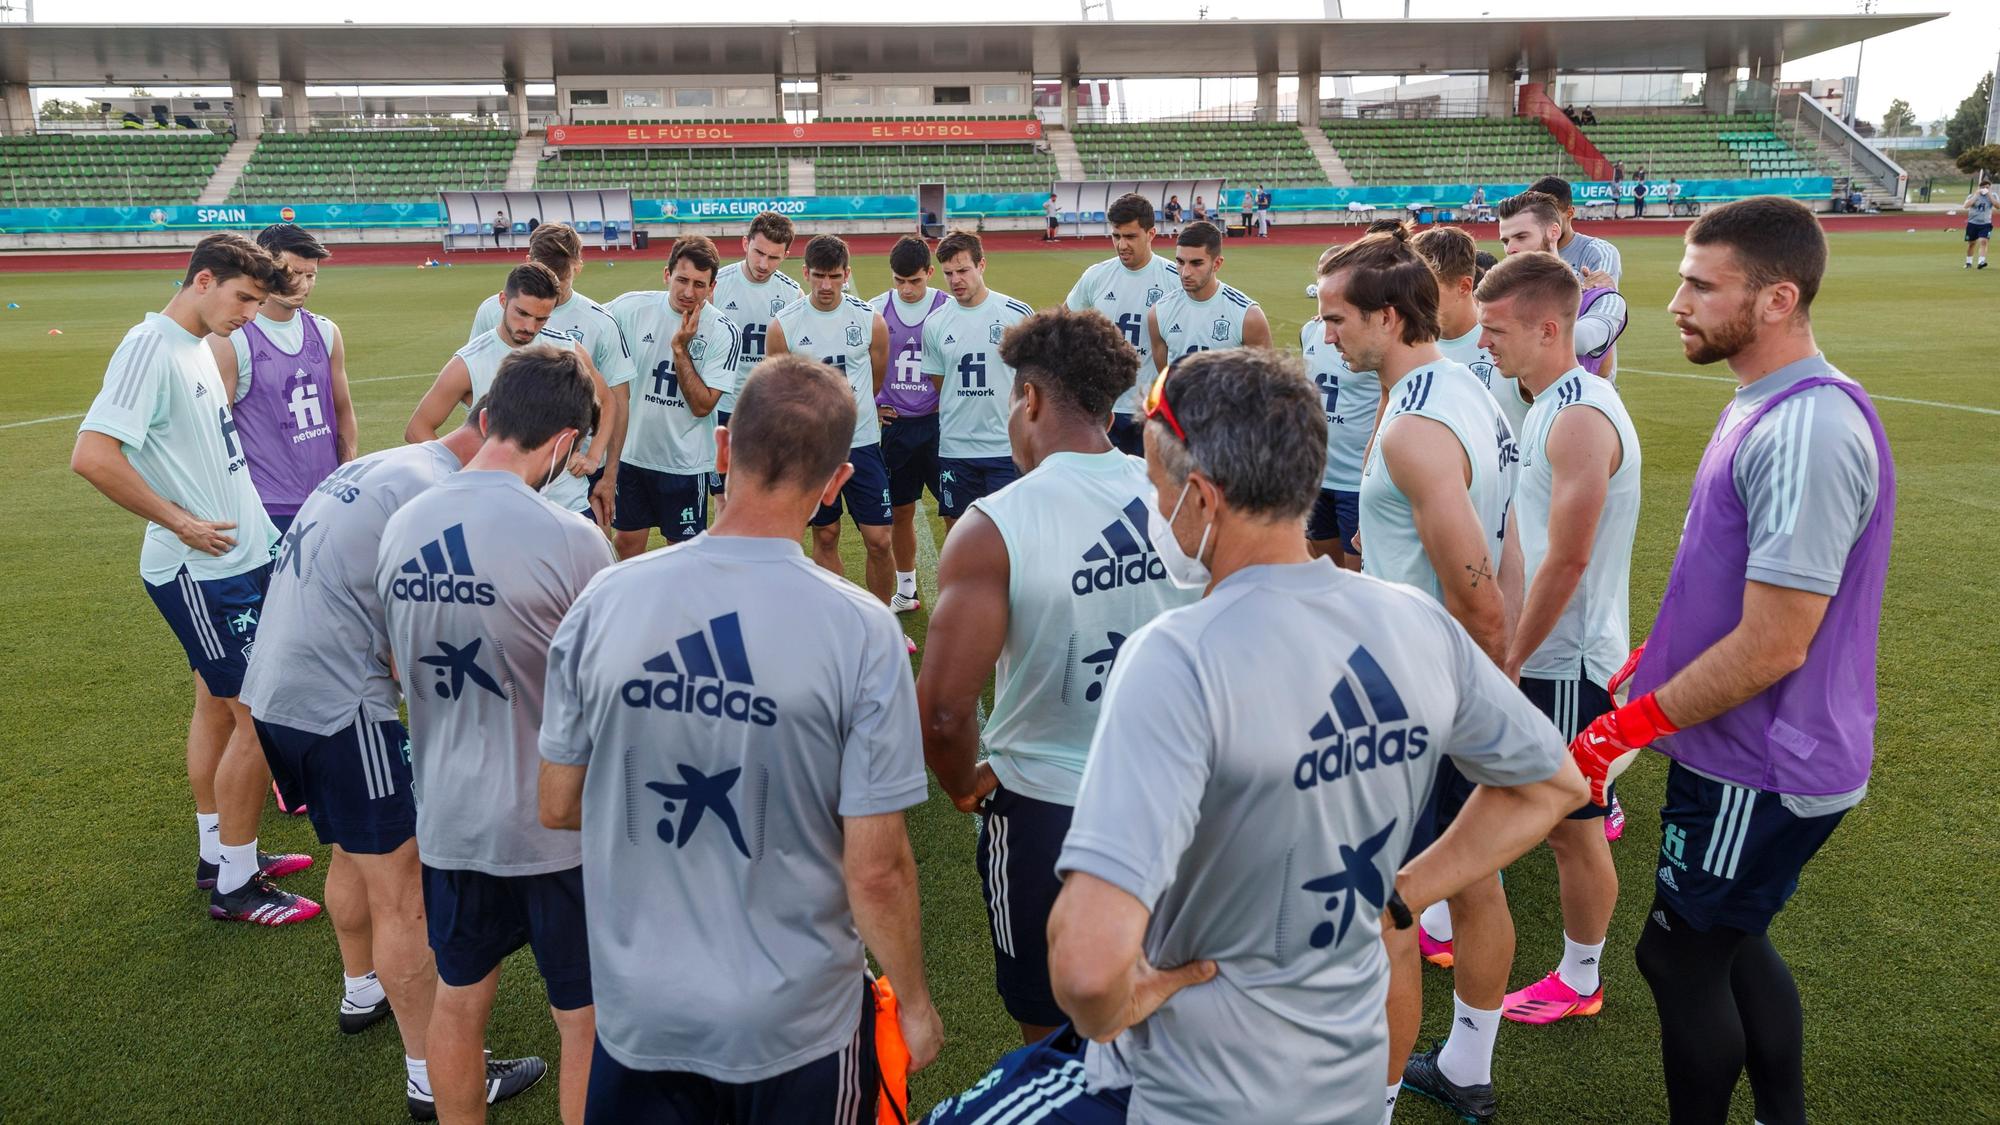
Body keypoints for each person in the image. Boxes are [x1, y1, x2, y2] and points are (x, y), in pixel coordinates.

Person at [922, 349, 1585, 1125]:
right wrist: (1401, 896)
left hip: (1189, 1087)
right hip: (1341, 1080)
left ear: (1201, 497)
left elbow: (1089, 967)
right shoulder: (1414, 622)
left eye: (1157, 483)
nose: (1150, 500)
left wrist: (1114, 1003)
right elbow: (1550, 784)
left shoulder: (1178, 656)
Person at [539, 353, 942, 1124]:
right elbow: (878, 866)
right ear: (835, 484)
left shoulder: (607, 597)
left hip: (639, 1011)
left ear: (723, 450)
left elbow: (557, 802)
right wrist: (916, 1003)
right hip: (794, 1021)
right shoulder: (861, 628)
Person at [1573, 196, 1895, 1125]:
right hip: (1741, 745)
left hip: (1761, 758)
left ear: (1776, 299)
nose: (1675, 299)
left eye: (1701, 285)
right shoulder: (1765, 402)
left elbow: (1775, 638)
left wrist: (1624, 728)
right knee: (1731, 936)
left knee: (1678, 955)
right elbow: (1726, 589)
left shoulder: (1806, 427)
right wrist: (1652, 656)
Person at [240, 400, 547, 1119]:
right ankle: (429, 1074)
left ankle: (362, 988)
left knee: (358, 851)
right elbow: (416, 643)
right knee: (404, 885)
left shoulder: (384, 464)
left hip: (280, 689)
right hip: (340, 704)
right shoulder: (434, 495)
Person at [918, 306, 1195, 1046]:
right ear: (1109, 406)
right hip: (1176, 798)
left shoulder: (996, 521)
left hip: (1046, 810)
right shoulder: (1179, 498)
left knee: (1052, 1031)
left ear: (1030, 401)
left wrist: (959, 780)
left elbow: (944, 713)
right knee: (1172, 1001)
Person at [1316, 228, 1521, 1123]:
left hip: (1418, 700)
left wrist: (1468, 695)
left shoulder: (1413, 429)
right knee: (1474, 877)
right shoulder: (1471, 387)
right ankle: (1468, 1062)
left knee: (1389, 914)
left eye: (1336, 319)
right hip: (1454, 683)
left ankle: (1379, 1101)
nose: (1326, 337)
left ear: (1389, 317)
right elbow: (1503, 553)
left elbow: (1476, 587)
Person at [378, 346, 613, 1125]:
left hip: (447, 815)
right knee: (583, 1021)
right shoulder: (572, 538)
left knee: (459, 1000)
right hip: (556, 831)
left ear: (485, 418)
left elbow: (392, 657)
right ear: (562, 446)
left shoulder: (403, 520)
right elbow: (607, 693)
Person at [70, 233, 314, 924]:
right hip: (202, 571)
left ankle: (222, 851)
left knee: (216, 705)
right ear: (202, 279)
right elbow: (91, 454)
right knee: (259, 717)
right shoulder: (151, 346)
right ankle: (236, 885)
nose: (247, 313)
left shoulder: (200, 348)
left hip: (242, 557)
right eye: (242, 298)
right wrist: (179, 521)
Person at [1470, 252, 1643, 1029]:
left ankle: (1581, 976)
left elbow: (1568, 559)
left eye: (1496, 328)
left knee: (1572, 831)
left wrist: (1513, 655)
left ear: (1549, 328)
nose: (1484, 343)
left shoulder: (1579, 414)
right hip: (1551, 652)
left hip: (1568, 660)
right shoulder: (1546, 402)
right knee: (1545, 816)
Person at [406, 262, 617, 527]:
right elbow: (417, 429)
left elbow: (607, 400)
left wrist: (593, 456)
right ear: (503, 300)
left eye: (541, 319)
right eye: (522, 313)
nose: (529, 326)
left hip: (568, 505)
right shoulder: (468, 363)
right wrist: (466, 478)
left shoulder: (567, 349)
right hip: (500, 512)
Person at [462, 222, 634, 523]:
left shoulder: (600, 323)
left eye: (561, 276)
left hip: (574, 471)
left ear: (578, 267)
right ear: (528, 261)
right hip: (506, 465)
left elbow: (617, 400)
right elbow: (474, 379)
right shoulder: (493, 310)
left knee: (591, 548)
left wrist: (605, 468)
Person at [767, 234, 895, 604]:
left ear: (846, 275)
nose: (826, 285)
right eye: (819, 275)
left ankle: (882, 621)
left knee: (880, 539)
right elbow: (780, 389)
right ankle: (835, 619)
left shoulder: (870, 320)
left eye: (834, 276)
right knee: (825, 535)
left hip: (862, 444)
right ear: (805, 273)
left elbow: (875, 378)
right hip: (813, 451)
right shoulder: (784, 326)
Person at [208, 224, 354, 535]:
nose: (303, 284)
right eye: (293, 273)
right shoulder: (233, 340)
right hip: (266, 506)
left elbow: (343, 411)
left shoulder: (326, 332)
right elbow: (217, 428)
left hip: (324, 499)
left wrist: (346, 472)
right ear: (267, 267)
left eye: (311, 275)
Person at [606, 236, 743, 558]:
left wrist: (681, 349)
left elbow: (703, 405)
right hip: (631, 455)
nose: (688, 292)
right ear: (666, 275)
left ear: (712, 287)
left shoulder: (724, 332)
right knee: (626, 543)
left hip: (684, 464)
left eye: (699, 284)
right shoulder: (629, 308)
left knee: (683, 553)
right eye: (681, 280)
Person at [919, 230, 1035, 532]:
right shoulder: (935, 323)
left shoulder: (1016, 314)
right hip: (956, 449)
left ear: (981, 265)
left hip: (1006, 448)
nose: (956, 279)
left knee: (1011, 533)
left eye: (963, 270)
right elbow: (940, 381)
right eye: (948, 273)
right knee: (959, 532)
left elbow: (1036, 380)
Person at [1065, 192, 1180, 457]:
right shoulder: (1096, 276)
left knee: (1152, 490)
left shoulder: (1174, 280)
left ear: (1151, 234)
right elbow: (1065, 326)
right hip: (1105, 409)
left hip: (1151, 408)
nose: (1121, 245)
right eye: (1116, 236)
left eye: (1130, 237)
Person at [872, 236, 952, 614]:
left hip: (939, 427)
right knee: (901, 511)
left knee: (956, 513)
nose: (906, 289)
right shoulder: (875, 311)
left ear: (929, 274)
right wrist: (872, 404)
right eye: (899, 281)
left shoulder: (947, 308)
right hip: (897, 429)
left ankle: (959, 590)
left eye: (914, 281)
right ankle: (905, 591)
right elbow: (861, 365)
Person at [709, 211, 802, 506]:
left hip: (767, 412)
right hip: (721, 408)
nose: (763, 264)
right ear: (744, 243)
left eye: (774, 257)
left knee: (767, 496)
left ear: (786, 254)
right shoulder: (716, 286)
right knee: (724, 498)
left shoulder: (792, 295)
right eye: (758, 252)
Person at [1301, 246, 1378, 572]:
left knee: (1356, 575)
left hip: (1355, 482)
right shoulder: (1310, 330)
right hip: (1316, 475)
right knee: (1321, 569)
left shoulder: (1373, 341)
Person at [1499, 192, 1630, 384]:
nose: (1510, 249)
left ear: (1554, 232)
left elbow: (1585, 341)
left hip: (1577, 409)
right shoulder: (1500, 295)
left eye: (1521, 237)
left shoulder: (1601, 297)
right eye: (1505, 241)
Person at [1410, 225, 1508, 427]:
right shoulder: (1406, 345)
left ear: (1464, 287)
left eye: (1426, 290)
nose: (1412, 299)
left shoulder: (1509, 344)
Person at [1146, 221, 1271, 373]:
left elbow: (1264, 383)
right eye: (1180, 262)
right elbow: (1165, 379)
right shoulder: (1159, 313)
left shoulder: (1248, 316)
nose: (1185, 272)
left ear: (1217, 264)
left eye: (1196, 263)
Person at [1962, 181, 1991, 268]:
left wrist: (1989, 195)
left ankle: (1981, 262)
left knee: (1983, 241)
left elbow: (1998, 206)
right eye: (1984, 187)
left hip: (1985, 223)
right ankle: (1968, 262)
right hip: (1973, 223)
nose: (1986, 189)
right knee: (1971, 244)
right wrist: (1976, 194)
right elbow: (1966, 206)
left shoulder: (1992, 196)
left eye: (1988, 187)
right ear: (1980, 187)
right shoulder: (1972, 196)